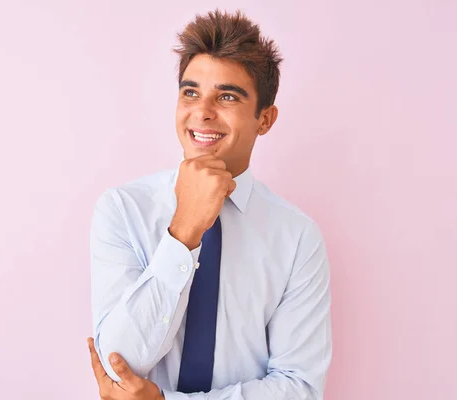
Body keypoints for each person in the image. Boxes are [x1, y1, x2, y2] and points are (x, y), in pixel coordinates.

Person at [86, 9, 332, 400]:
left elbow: (298, 387)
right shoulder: (122, 210)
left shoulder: (297, 237)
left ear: (265, 119)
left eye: (227, 96)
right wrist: (183, 231)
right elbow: (120, 363)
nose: (202, 111)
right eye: (191, 92)